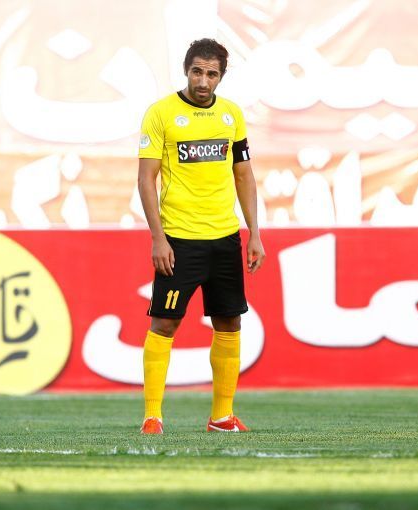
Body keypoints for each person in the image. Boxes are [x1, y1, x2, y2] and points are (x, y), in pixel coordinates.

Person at [137, 38, 265, 434]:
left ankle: (221, 417)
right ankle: (152, 416)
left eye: (211, 74)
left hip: (225, 239)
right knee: (164, 324)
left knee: (229, 323)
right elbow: (146, 179)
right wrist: (158, 238)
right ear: (186, 70)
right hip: (179, 240)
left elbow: (243, 175)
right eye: (197, 71)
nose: (203, 81)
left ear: (221, 77)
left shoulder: (231, 115)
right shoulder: (161, 113)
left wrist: (254, 233)